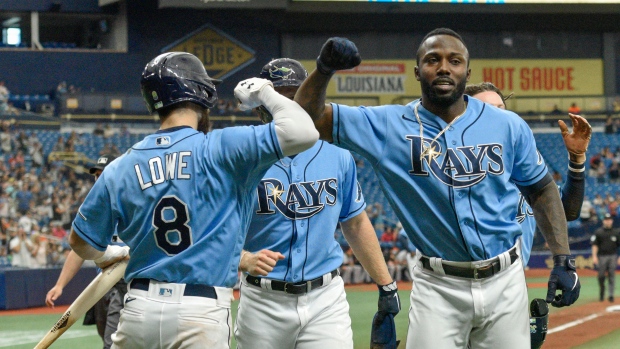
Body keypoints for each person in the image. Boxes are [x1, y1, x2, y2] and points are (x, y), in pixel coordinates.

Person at [295, 30, 580, 349]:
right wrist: (323, 70)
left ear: (467, 72)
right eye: (433, 60)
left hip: (506, 280)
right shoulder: (388, 125)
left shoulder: (507, 125)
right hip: (438, 286)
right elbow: (306, 120)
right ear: (417, 71)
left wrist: (563, 259)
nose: (444, 67)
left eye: (454, 61)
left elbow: (541, 189)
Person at [68, 52, 319, 349]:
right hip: (200, 311)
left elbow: (80, 243)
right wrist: (264, 92)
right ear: (201, 93)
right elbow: (304, 132)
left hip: (138, 311)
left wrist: (106, 254)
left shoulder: (120, 166)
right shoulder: (223, 147)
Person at [234, 58, 397, 349]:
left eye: (294, 97)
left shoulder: (338, 155)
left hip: (325, 299)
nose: (286, 106)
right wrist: (243, 257)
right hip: (263, 301)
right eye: (277, 97)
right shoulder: (242, 157)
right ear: (261, 105)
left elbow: (356, 222)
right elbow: (216, 228)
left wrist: (386, 285)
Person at [465, 81, 591, 265]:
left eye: (502, 108)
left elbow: (566, 212)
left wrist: (576, 159)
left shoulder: (525, 170)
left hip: (511, 280)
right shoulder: (458, 170)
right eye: (488, 110)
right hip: (464, 280)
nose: (499, 116)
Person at [45, 154, 126, 349]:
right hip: (101, 286)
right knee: (106, 338)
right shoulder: (94, 208)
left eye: (102, 174)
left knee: (112, 344)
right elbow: (79, 249)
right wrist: (60, 285)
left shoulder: (131, 202)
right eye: (96, 175)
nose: (98, 179)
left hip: (126, 284)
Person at [591, 213, 620, 302]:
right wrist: (594, 256)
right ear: (603, 221)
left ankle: (611, 295)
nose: (608, 221)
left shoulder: (616, 232)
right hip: (602, 256)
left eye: (609, 219)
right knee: (601, 275)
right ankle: (602, 292)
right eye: (606, 220)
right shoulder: (598, 232)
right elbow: (595, 245)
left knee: (611, 275)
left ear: (612, 221)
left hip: (612, 256)